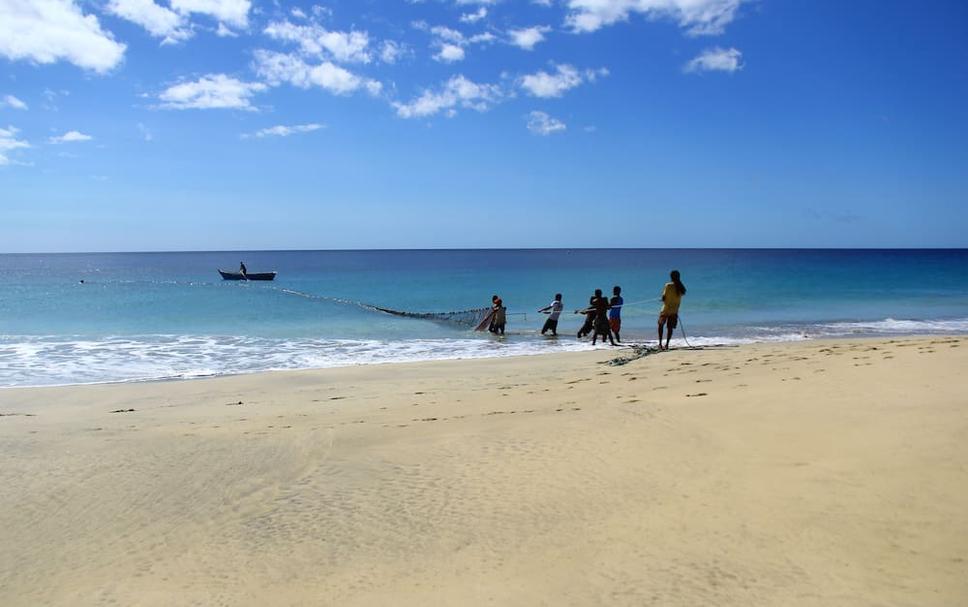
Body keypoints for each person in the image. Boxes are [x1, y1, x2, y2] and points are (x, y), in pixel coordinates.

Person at [658, 270, 687, 350]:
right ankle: (667, 344)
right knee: (670, 328)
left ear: (671, 277)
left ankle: (660, 344)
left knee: (660, 325)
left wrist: (662, 299)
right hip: (674, 311)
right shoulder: (681, 288)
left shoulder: (668, 285)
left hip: (665, 310)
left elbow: (664, 297)